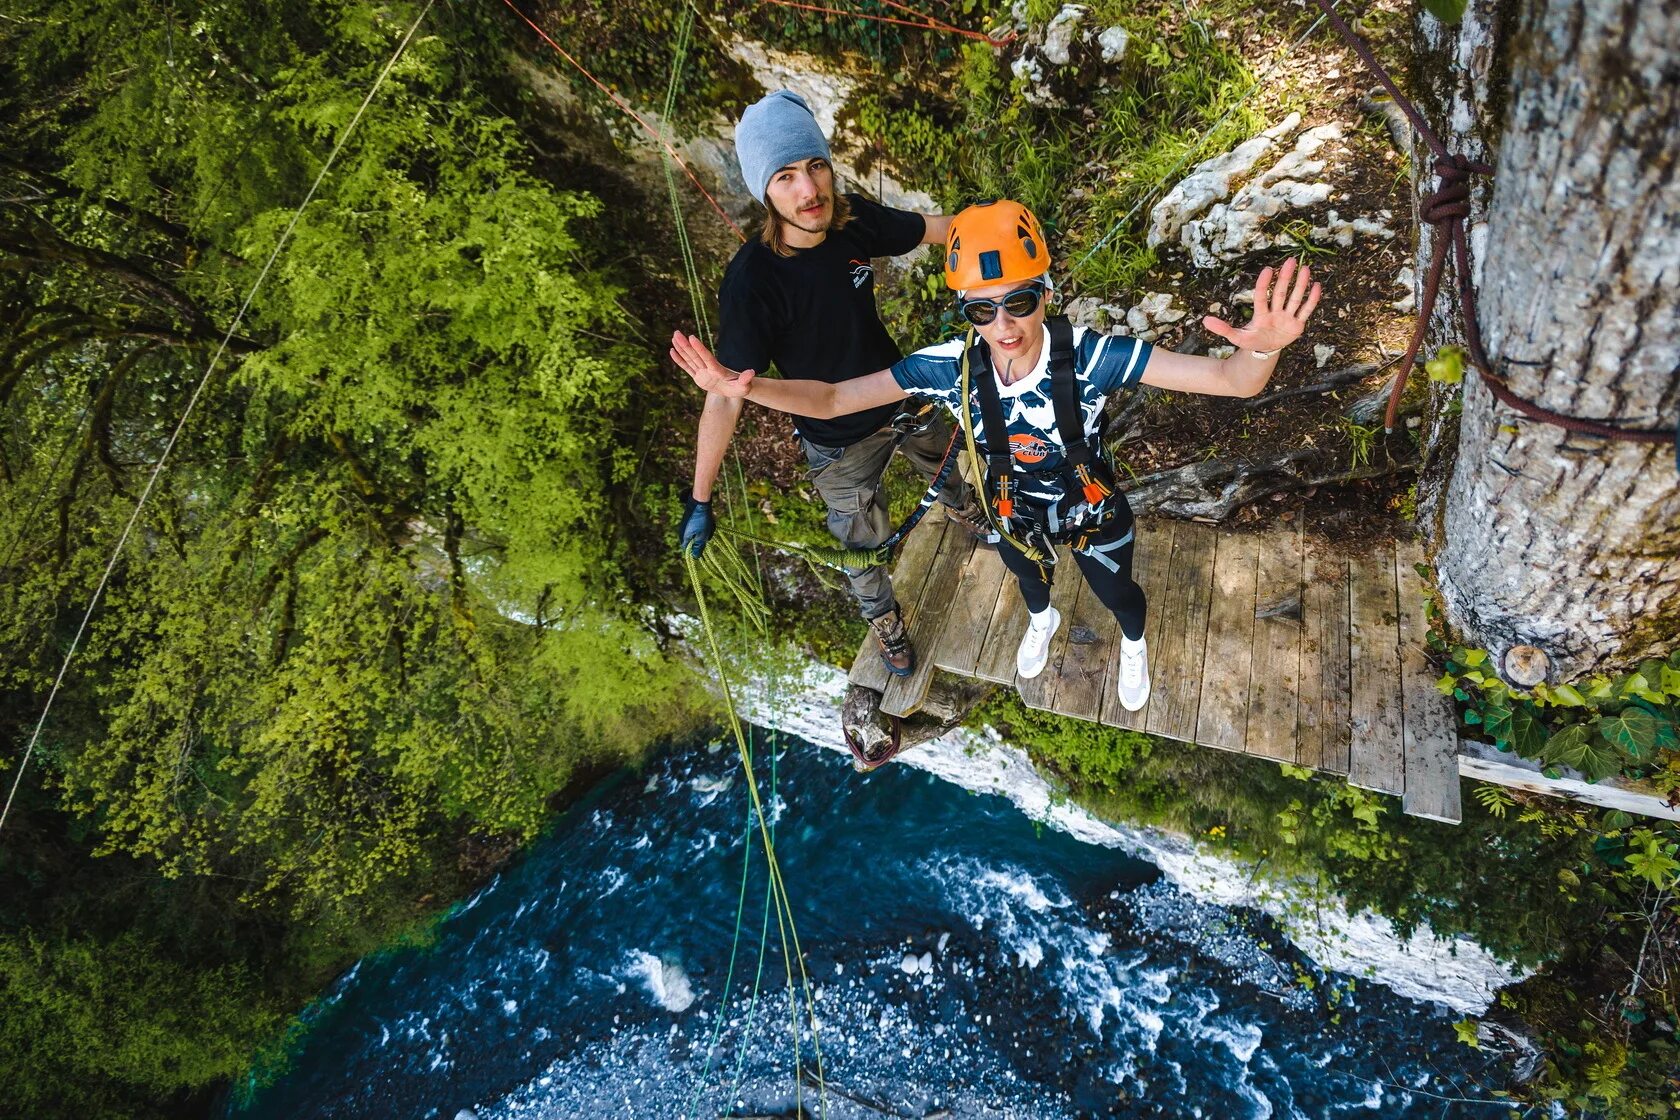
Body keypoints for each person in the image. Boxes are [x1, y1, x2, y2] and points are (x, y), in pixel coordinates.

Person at [671, 200, 1323, 711]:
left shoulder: (1090, 355)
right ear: (965, 309)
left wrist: (1261, 350)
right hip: (1011, 506)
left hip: (1088, 505)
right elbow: (838, 398)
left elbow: (1230, 381)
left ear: (1045, 291)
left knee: (1117, 590)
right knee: (1029, 580)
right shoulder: (948, 368)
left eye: (1020, 301)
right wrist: (749, 389)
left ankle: (1132, 642)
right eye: (982, 309)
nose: (1004, 325)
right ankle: (1042, 619)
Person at [678, 89, 986, 679]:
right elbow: (724, 393)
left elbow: (941, 229)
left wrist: (1005, 231)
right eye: (785, 175)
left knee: (946, 465)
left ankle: (966, 516)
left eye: (815, 165)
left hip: (900, 395)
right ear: (763, 191)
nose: (808, 190)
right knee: (861, 545)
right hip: (836, 437)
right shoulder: (752, 284)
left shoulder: (853, 222)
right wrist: (700, 498)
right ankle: (885, 622)